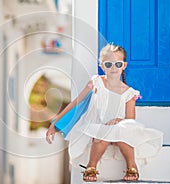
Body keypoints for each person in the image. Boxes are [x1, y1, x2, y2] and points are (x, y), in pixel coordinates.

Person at [46, 44, 163, 182]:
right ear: (102, 66)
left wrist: (118, 121)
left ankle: (132, 166)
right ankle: (91, 166)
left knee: (125, 132)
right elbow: (76, 103)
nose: (113, 68)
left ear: (124, 65)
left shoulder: (130, 93)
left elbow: (131, 121)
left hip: (118, 131)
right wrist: (55, 123)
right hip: (96, 128)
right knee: (103, 133)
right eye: (109, 64)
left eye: (118, 64)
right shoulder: (96, 82)